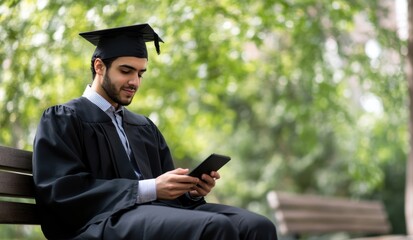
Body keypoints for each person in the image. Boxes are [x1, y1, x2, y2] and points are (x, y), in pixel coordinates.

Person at [32, 23, 278, 240]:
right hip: (100, 222)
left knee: (257, 226)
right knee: (215, 227)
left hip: (154, 215)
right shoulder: (64, 118)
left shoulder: (143, 126)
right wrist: (149, 189)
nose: (135, 82)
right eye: (126, 71)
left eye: (140, 73)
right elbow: (61, 192)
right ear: (99, 66)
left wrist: (190, 192)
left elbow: (165, 190)